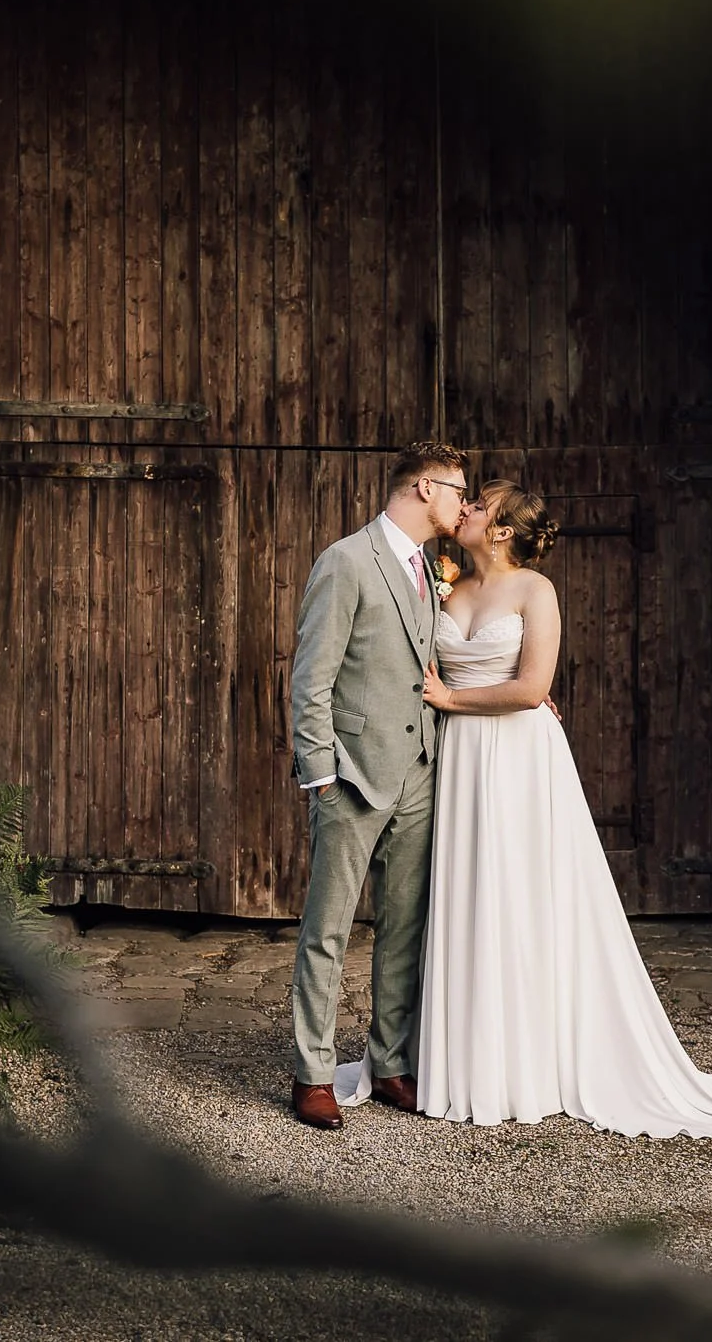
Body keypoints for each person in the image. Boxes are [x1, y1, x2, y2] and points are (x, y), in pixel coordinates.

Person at [370, 478, 712, 1137]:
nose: (463, 509)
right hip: (463, 758)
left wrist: (450, 701)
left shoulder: (534, 591)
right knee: (470, 895)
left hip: (516, 759)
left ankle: (523, 1061)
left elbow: (530, 689)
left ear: (500, 529)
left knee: (521, 896)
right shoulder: (444, 585)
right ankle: (467, 1057)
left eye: (478, 504)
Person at [284, 440, 469, 1130]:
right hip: (352, 778)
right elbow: (311, 679)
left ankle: (388, 1061)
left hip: (419, 771)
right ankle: (311, 1072)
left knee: (404, 928)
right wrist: (321, 776)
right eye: (457, 489)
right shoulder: (345, 560)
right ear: (424, 487)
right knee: (328, 929)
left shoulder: (428, 564)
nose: (464, 501)